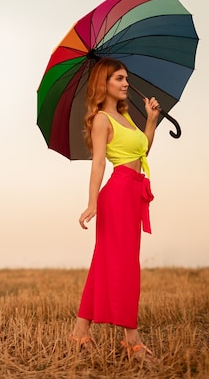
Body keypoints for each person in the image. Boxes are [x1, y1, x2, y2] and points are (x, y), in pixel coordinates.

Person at [69, 57, 160, 361]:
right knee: (124, 266)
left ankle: (80, 333)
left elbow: (142, 150)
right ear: (104, 84)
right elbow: (98, 164)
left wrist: (150, 120)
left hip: (134, 192)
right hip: (118, 193)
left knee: (106, 263)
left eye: (126, 78)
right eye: (119, 78)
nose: (125, 83)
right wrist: (92, 201)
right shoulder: (101, 120)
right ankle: (131, 338)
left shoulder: (126, 117)